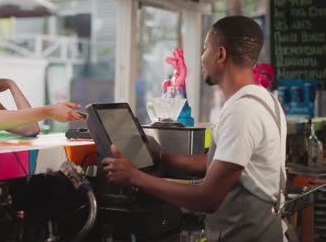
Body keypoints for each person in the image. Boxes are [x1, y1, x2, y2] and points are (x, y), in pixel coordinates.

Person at [102, 16, 291, 241]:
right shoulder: (264, 100)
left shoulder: (243, 111)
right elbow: (220, 162)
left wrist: (133, 177)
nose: (202, 58)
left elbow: (207, 198)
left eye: (205, 49)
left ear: (220, 54)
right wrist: (158, 157)